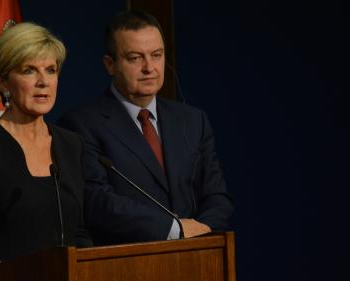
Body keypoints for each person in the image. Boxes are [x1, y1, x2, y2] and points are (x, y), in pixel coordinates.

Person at [60, 11, 234, 246]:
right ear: (110, 64)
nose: (149, 67)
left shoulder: (193, 120)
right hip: (126, 265)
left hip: (198, 261)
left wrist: (199, 234)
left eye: (157, 55)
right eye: (135, 58)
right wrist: (175, 229)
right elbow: (96, 200)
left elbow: (217, 197)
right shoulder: (81, 124)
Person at [0, 22, 92, 274]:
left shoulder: (71, 144)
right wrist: (9, 279)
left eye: (51, 70)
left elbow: (79, 231)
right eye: (29, 71)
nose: (43, 82)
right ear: (3, 82)